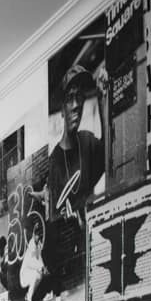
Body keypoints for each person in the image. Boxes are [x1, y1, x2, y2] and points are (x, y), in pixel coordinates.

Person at [49, 63, 107, 220]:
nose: (76, 106)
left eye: (79, 97)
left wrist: (102, 99)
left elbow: (108, 154)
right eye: (70, 99)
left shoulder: (86, 142)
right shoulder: (53, 164)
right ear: (62, 109)